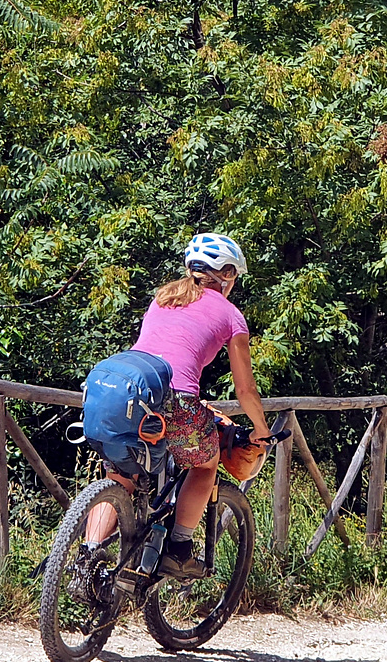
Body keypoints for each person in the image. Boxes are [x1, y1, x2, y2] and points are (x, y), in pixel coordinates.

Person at [85, 233, 272, 577]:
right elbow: (245, 390)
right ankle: (179, 550)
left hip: (127, 394)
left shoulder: (163, 298)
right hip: (177, 403)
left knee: (122, 474)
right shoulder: (231, 315)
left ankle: (88, 556)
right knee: (205, 464)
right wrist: (262, 432)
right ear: (227, 273)